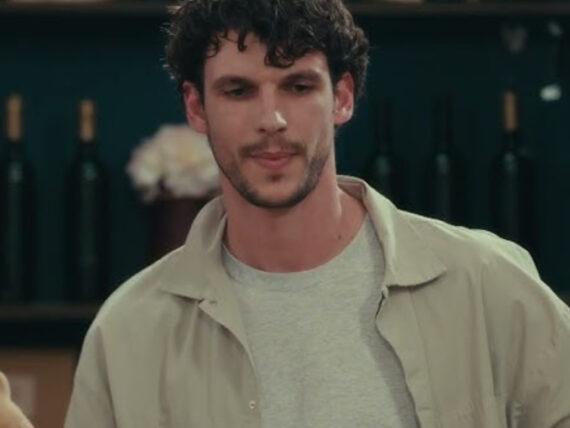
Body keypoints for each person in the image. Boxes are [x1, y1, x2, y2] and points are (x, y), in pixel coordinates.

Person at [65, 0, 570, 427]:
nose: (271, 119)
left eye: (298, 86)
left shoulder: (484, 283)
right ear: (196, 107)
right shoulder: (130, 333)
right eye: (239, 91)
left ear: (342, 97)